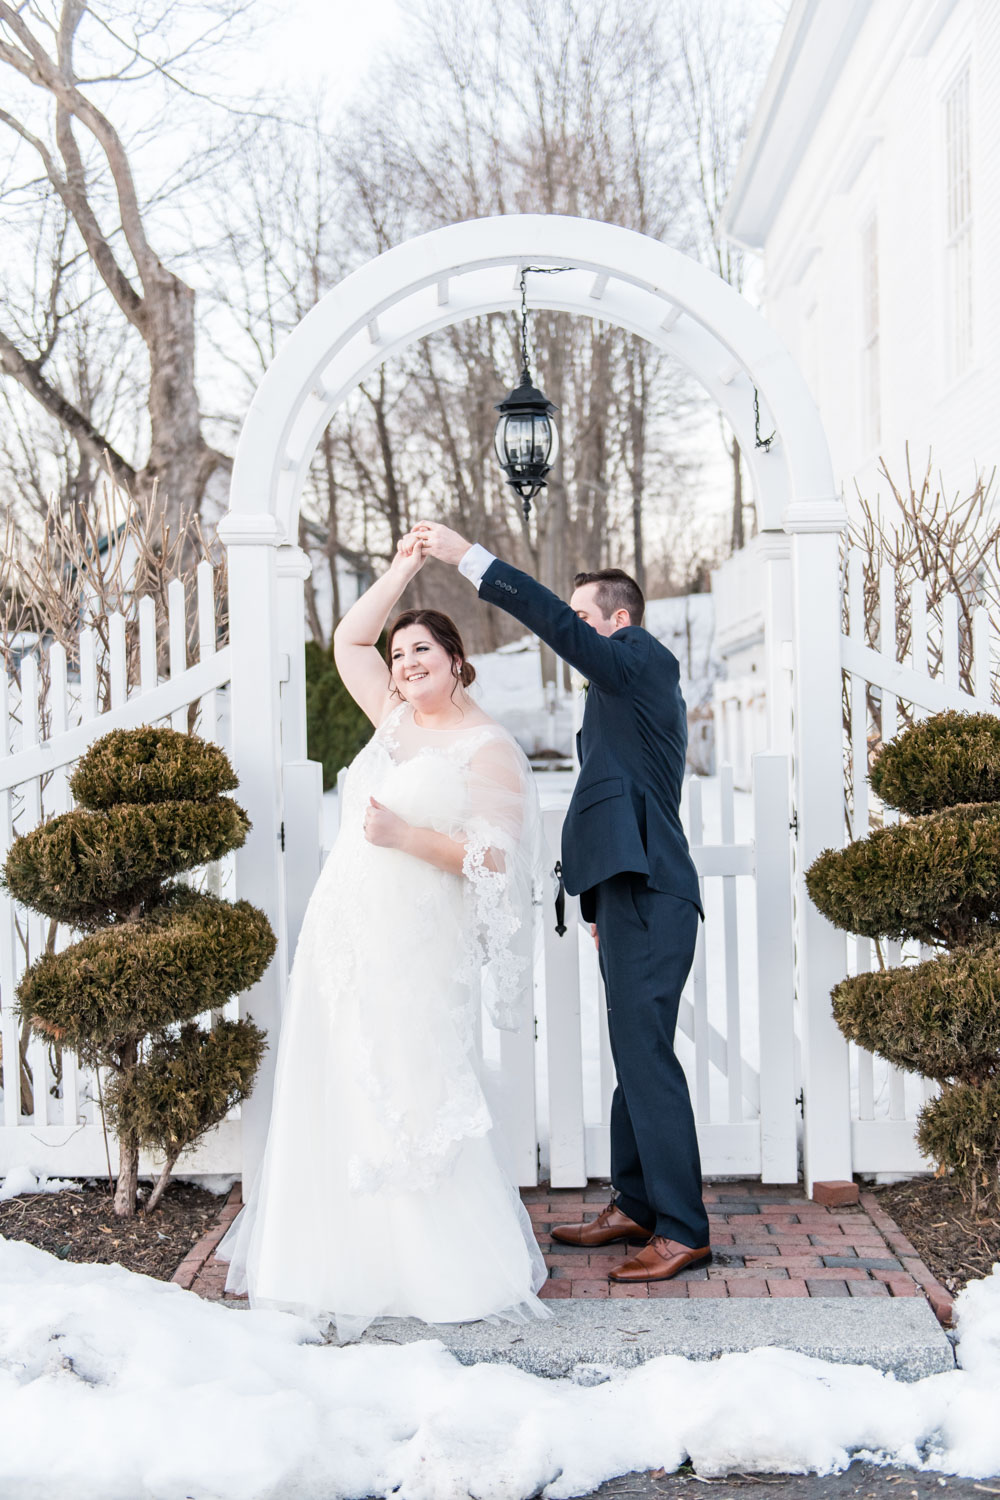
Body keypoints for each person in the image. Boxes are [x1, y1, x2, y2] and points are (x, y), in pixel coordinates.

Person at [218, 533, 548, 1340]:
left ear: (457, 661)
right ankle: (339, 1258)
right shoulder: (396, 723)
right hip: (348, 931)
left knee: (412, 1082)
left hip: (419, 940)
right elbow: (347, 640)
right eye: (400, 653)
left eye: (423, 650)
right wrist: (405, 571)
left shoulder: (488, 748)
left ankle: (437, 1263)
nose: (405, 663)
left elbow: (495, 860)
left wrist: (408, 839)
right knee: (340, 1079)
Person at [415, 521, 711, 1284]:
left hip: (652, 892)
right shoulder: (616, 698)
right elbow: (618, 802)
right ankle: (638, 1204)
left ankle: (682, 1228)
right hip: (628, 894)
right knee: (633, 1054)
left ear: (620, 621)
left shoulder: (643, 659)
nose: (573, 628)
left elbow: (552, 621)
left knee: (647, 1059)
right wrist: (593, 906)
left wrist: (471, 561)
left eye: (585, 616)